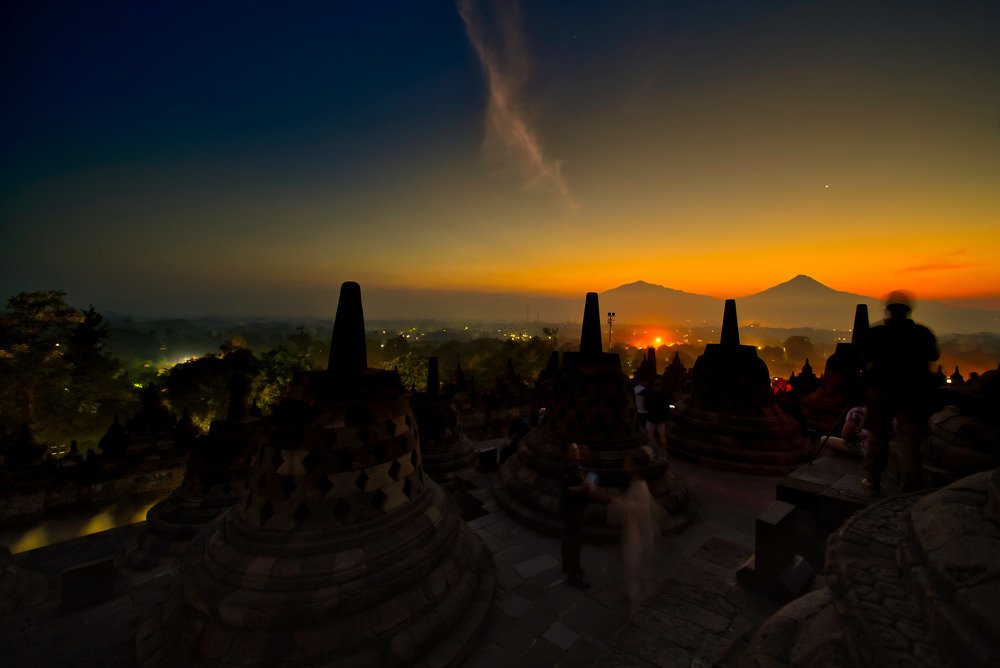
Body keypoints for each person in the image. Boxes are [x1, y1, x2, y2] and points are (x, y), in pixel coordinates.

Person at [861, 291, 939, 492]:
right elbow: (933, 355)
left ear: (888, 310)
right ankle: (909, 485)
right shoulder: (922, 335)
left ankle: (872, 479)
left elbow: (861, 356)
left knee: (877, 436)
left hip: (880, 393)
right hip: (911, 393)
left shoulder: (877, 334)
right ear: (908, 310)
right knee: (907, 439)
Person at [612, 456, 659, 619]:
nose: (625, 466)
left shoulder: (640, 487)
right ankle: (631, 600)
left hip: (638, 536)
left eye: (629, 464)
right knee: (634, 571)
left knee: (635, 571)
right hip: (635, 534)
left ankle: (634, 611)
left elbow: (641, 509)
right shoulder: (635, 485)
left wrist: (620, 503)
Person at [560, 442, 602, 589]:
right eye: (574, 450)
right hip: (571, 509)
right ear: (567, 454)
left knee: (570, 538)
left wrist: (587, 483)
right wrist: (582, 487)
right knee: (574, 541)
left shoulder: (576, 466)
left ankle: (568, 566)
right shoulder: (566, 468)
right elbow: (568, 490)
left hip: (576, 507)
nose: (577, 451)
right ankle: (574, 573)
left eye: (577, 449)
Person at [644, 378, 669, 449]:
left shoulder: (649, 395)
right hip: (661, 418)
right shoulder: (664, 395)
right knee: (662, 435)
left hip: (651, 417)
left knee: (650, 434)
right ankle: (663, 450)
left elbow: (646, 406)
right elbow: (666, 407)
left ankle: (650, 449)